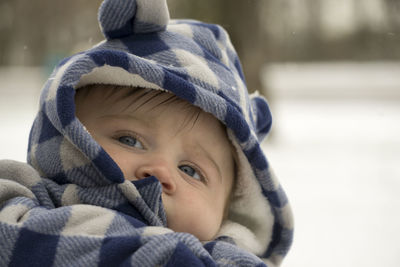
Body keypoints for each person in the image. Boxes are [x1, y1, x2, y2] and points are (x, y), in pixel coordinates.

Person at [0, 0, 293, 266]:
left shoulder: (228, 257)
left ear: (225, 214)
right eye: (130, 140)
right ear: (67, 135)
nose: (160, 171)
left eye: (191, 171)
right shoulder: (23, 199)